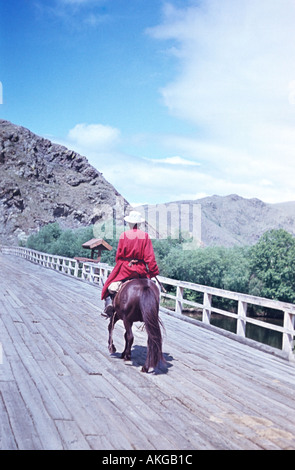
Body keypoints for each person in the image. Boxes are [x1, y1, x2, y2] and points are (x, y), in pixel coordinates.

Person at [101, 210, 160, 317]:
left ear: (129, 223)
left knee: (109, 284)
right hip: (140, 270)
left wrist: (121, 264)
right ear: (139, 223)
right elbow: (150, 257)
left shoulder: (124, 235)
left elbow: (119, 255)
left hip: (125, 269)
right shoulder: (145, 236)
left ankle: (109, 304)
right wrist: (153, 272)